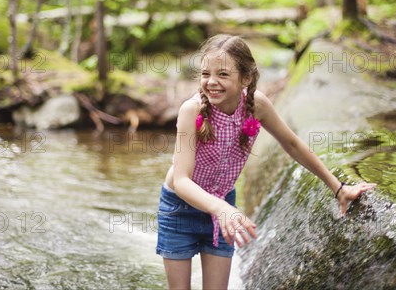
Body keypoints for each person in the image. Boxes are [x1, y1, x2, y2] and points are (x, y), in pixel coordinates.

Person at [156, 34, 376, 289]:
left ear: (246, 78)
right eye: (206, 74)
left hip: (224, 206)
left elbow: (292, 144)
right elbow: (181, 180)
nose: (212, 82)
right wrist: (222, 209)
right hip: (181, 208)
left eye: (223, 74)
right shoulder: (191, 110)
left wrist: (338, 188)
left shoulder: (255, 105)